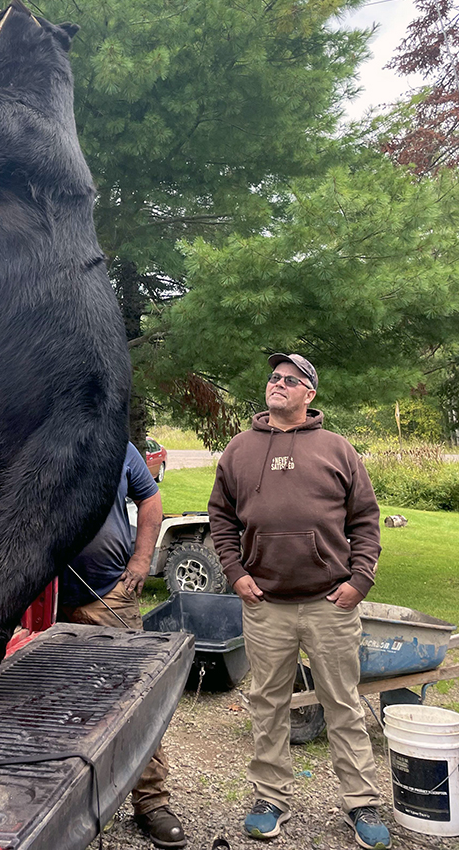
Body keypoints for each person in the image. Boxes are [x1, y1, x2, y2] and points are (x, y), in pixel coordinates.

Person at [208, 354, 390, 850]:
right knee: (267, 704)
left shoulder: (338, 449)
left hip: (329, 603)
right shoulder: (239, 450)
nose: (278, 384)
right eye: (274, 378)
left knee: (344, 704)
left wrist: (360, 580)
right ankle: (271, 798)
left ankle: (361, 800)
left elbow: (366, 521)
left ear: (310, 395)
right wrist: (236, 573)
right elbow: (221, 519)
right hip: (265, 604)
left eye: (291, 380)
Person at [58, 442, 187, 850]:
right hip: (39, 603)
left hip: (108, 594)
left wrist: (142, 559)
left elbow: (150, 498)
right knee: (55, 704)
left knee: (133, 698)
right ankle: (63, 804)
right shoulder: (31, 431)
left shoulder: (115, 444)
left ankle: (151, 802)